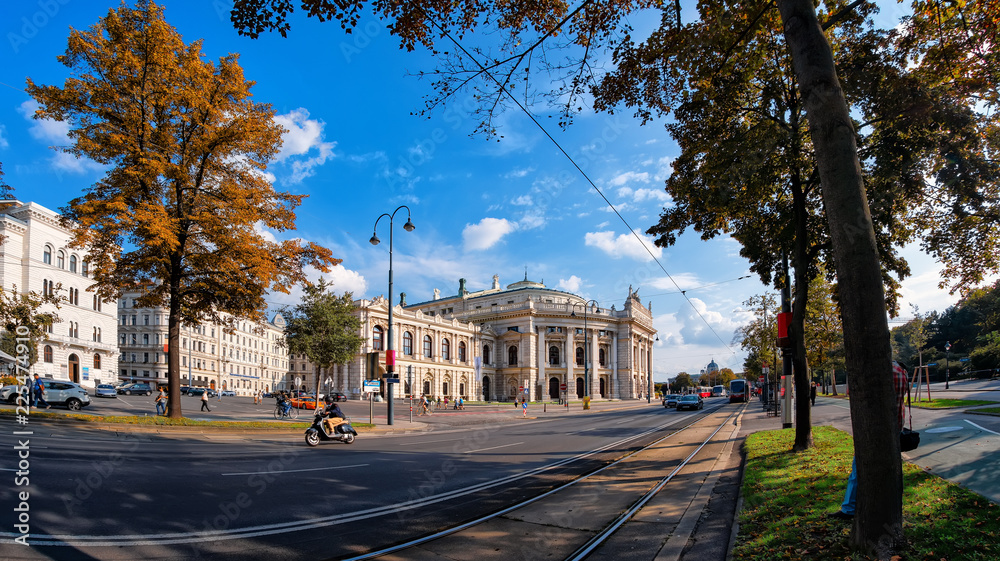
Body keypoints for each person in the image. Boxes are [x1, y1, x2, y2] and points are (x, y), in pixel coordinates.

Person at [830, 361, 908, 520]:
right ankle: (888, 506)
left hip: (873, 430)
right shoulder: (902, 373)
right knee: (889, 469)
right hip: (895, 428)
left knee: (858, 469)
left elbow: (852, 393)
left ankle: (849, 508)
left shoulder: (873, 369)